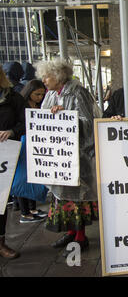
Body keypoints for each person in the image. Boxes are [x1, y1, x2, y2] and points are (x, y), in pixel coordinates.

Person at [36, 58, 101, 256]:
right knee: (63, 197)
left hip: (77, 157)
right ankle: (71, 233)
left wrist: (65, 116)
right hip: (60, 156)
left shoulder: (78, 92)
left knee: (76, 198)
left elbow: (88, 122)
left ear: (58, 75)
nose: (44, 80)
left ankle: (81, 237)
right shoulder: (51, 94)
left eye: (47, 76)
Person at [0, 66, 25, 259]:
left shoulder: (13, 98)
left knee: (0, 201)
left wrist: (12, 132)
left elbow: (25, 121)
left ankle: (1, 242)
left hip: (5, 153)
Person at [14, 80, 48, 223]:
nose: (39, 97)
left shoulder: (41, 105)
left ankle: (32, 209)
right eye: (37, 94)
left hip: (37, 143)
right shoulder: (20, 106)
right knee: (23, 177)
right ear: (29, 92)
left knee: (36, 175)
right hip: (24, 143)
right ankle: (25, 212)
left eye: (42, 94)